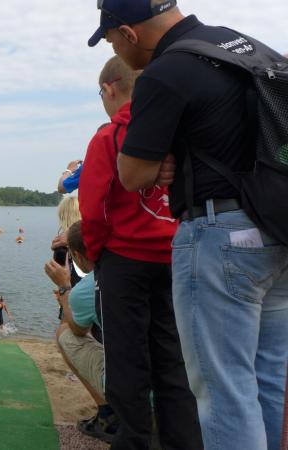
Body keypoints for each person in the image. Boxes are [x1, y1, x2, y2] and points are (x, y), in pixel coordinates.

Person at [90, 1, 288, 448]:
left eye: (111, 41)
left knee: (223, 393)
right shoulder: (245, 46)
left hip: (222, 236)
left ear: (129, 33)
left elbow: (132, 174)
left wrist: (159, 161)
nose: (116, 50)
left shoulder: (167, 70)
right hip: (277, 228)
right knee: (269, 378)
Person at [76, 51, 201, 448]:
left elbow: (93, 207)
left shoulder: (108, 137)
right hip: (174, 255)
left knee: (127, 361)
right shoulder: (174, 129)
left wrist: (97, 253)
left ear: (109, 89)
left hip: (125, 260)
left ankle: (134, 440)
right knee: (173, 359)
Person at [44, 221, 117, 444]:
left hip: (127, 385)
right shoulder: (137, 267)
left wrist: (65, 287)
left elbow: (77, 328)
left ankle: (108, 414)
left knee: (64, 332)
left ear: (75, 255)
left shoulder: (87, 288)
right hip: (174, 382)